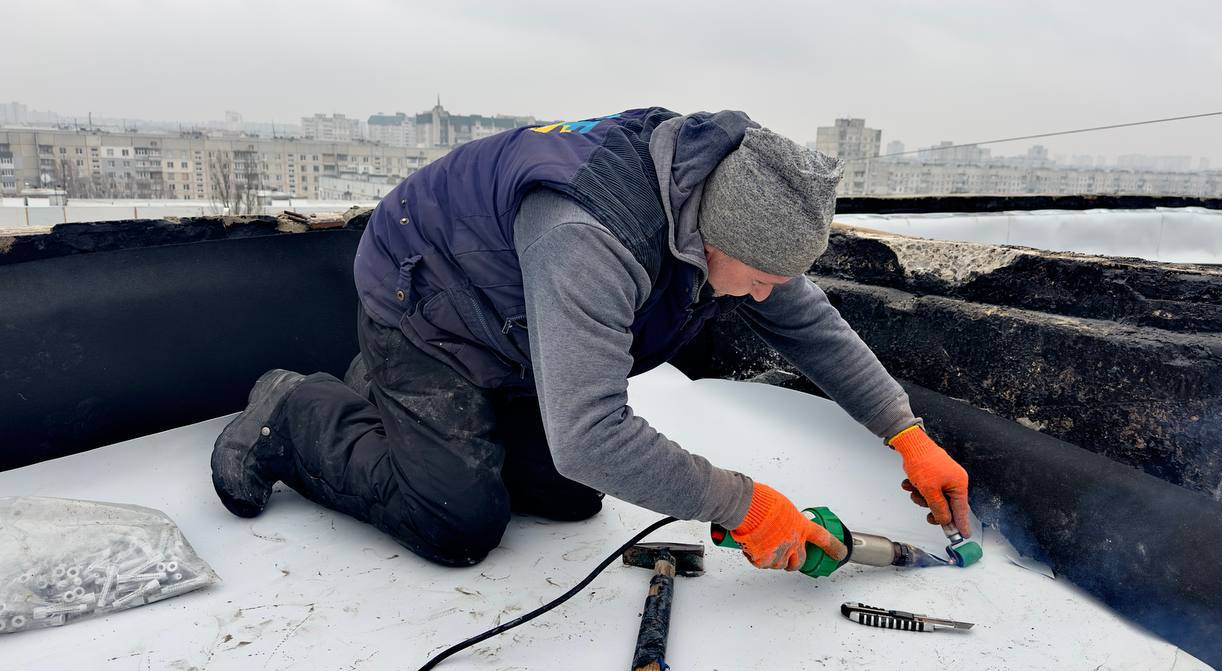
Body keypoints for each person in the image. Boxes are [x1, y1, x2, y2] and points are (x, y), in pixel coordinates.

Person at [210, 107, 971, 572]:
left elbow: (806, 322)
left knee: (568, 499)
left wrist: (905, 432)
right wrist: (745, 504)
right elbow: (589, 435)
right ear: (711, 239)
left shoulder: (726, 202)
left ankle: (391, 404)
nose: (773, 292)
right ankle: (294, 410)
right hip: (429, 309)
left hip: (513, 315)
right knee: (459, 523)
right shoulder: (590, 238)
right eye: (764, 275)